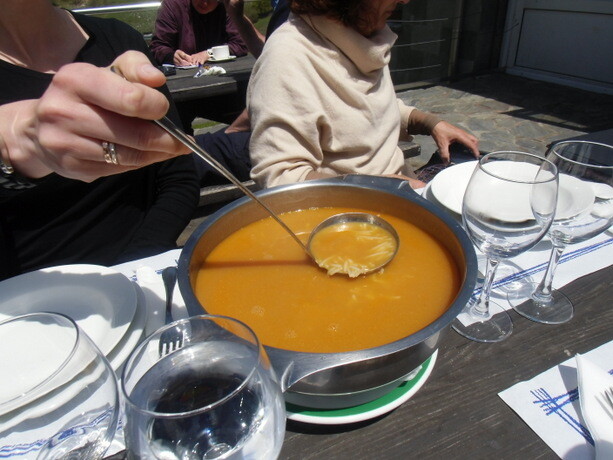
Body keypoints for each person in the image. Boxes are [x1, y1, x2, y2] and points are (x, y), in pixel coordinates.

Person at [0, 0, 200, 281]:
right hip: (28, 307)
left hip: (144, 279)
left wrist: (132, 270)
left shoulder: (120, 40)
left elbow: (178, 177)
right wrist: (13, 145)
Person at [247, 0, 480, 189]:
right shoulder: (288, 57)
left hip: (402, 189)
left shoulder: (363, 36)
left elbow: (364, 111)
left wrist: (430, 123)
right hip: (350, 218)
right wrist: (374, 186)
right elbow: (279, 178)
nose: (405, 1)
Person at [150, 0, 249, 66]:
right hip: (182, 79)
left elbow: (241, 44)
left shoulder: (226, 7)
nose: (204, 3)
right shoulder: (172, 5)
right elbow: (157, 47)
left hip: (221, 75)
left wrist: (209, 53)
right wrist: (172, 56)